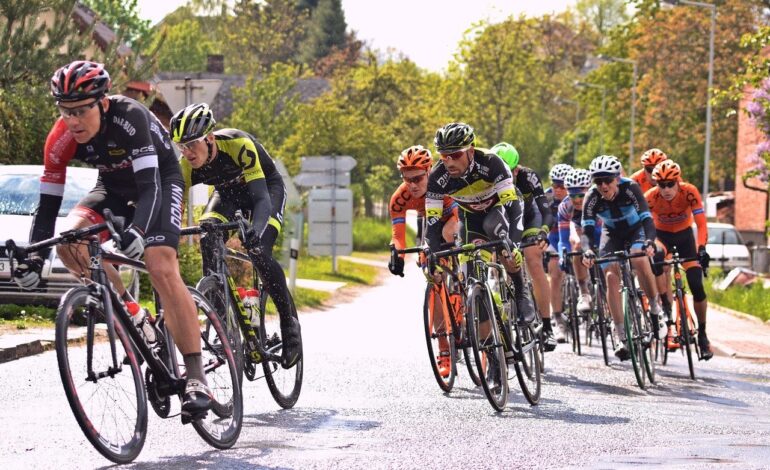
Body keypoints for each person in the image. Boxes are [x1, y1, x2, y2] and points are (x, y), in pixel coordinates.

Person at [13, 61, 213, 418]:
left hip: (160, 181)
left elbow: (150, 186)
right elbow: (47, 207)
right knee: (70, 241)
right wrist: (34, 260)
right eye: (65, 111)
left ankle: (196, 376)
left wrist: (138, 231)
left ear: (102, 103)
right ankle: (135, 316)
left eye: (80, 111)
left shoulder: (129, 117)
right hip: (112, 186)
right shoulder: (60, 138)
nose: (73, 120)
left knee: (159, 265)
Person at [169, 102, 302, 369]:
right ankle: (221, 323)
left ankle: (289, 326)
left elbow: (261, 198)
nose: (187, 152)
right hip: (228, 194)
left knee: (259, 250)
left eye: (192, 144)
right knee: (208, 233)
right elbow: (174, 205)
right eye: (181, 146)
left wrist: (256, 232)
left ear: (209, 138)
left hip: (265, 190)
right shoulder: (187, 166)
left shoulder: (238, 144)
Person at [424, 123, 532, 329]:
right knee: (470, 277)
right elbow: (432, 223)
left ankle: (521, 291)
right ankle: (487, 343)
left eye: (455, 155)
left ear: (471, 151)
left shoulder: (491, 162)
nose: (449, 161)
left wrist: (515, 244)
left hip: (499, 209)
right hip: (470, 217)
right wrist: (433, 258)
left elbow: (513, 207)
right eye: (444, 156)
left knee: (498, 234)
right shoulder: (437, 177)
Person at [580, 155, 667, 360]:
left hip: (636, 230)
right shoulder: (591, 197)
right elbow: (587, 231)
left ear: (617, 178)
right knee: (611, 276)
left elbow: (647, 219)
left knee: (638, 257)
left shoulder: (631, 188)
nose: (603, 185)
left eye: (607, 180)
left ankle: (655, 308)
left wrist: (649, 241)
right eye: (598, 181)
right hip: (611, 234)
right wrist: (588, 250)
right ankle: (620, 334)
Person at [387, 145, 459, 378]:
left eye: (417, 178)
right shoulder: (399, 198)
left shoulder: (444, 183)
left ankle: (466, 293)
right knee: (433, 278)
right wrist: (397, 256)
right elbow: (398, 236)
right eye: (406, 179)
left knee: (449, 236)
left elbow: (459, 216)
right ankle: (444, 349)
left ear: (429, 172)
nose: (412, 185)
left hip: (453, 216)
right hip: (427, 222)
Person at [491, 142, 558, 351]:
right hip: (504, 222)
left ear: (517, 170)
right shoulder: (487, 178)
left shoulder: (528, 177)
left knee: (533, 260)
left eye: (509, 172)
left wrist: (543, 231)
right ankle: (501, 319)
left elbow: (545, 211)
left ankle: (547, 326)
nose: (504, 177)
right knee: (497, 263)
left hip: (529, 220)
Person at [645, 160, 713, 359]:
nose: (666, 189)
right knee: (657, 257)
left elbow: (701, 224)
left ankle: (703, 334)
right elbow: (645, 226)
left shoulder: (689, 192)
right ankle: (666, 307)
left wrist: (702, 248)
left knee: (696, 285)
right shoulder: (650, 197)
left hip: (685, 238)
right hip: (662, 237)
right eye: (661, 185)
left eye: (670, 184)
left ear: (677, 181)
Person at [555, 168, 601, 339]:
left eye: (581, 195)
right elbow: (563, 239)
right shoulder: (565, 207)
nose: (576, 200)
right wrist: (562, 256)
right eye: (572, 195)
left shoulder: (599, 200)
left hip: (600, 232)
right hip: (581, 234)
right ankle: (584, 292)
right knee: (576, 245)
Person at [545, 163, 572, 342]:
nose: (559, 189)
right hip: (554, 239)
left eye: (563, 186)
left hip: (573, 236)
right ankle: (557, 319)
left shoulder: (576, 197)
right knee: (555, 274)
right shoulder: (546, 198)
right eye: (556, 185)